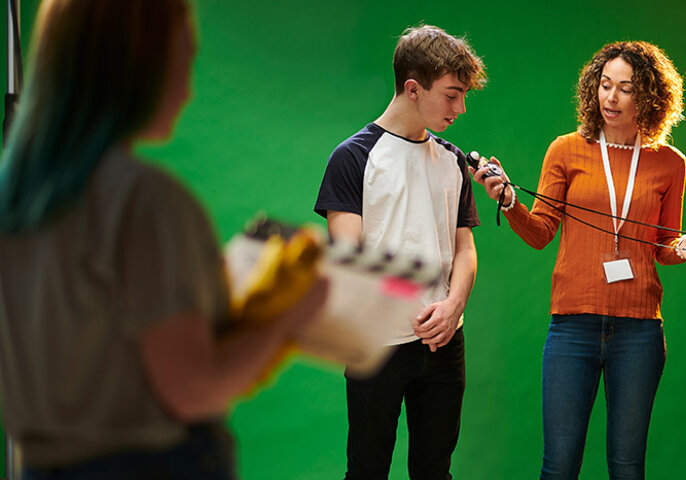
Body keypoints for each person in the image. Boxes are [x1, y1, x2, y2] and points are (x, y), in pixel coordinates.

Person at [0, 0, 326, 477]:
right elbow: (194, 389)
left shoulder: (14, 199)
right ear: (140, 63)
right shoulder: (147, 202)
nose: (189, 90)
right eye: (184, 59)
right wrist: (292, 315)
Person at [474, 41, 686, 480]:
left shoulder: (669, 163)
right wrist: (508, 201)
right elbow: (541, 233)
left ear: (650, 97)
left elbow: (663, 244)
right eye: (605, 85)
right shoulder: (566, 149)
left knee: (626, 467)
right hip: (573, 328)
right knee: (560, 465)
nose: (611, 97)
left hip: (639, 331)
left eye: (625, 88)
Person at [313, 24, 483, 480]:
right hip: (376, 345)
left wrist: (452, 307)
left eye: (464, 95)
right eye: (451, 95)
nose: (460, 108)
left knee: (435, 471)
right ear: (413, 88)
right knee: (367, 471)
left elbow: (466, 249)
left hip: (446, 342)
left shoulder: (453, 161)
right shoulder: (352, 158)